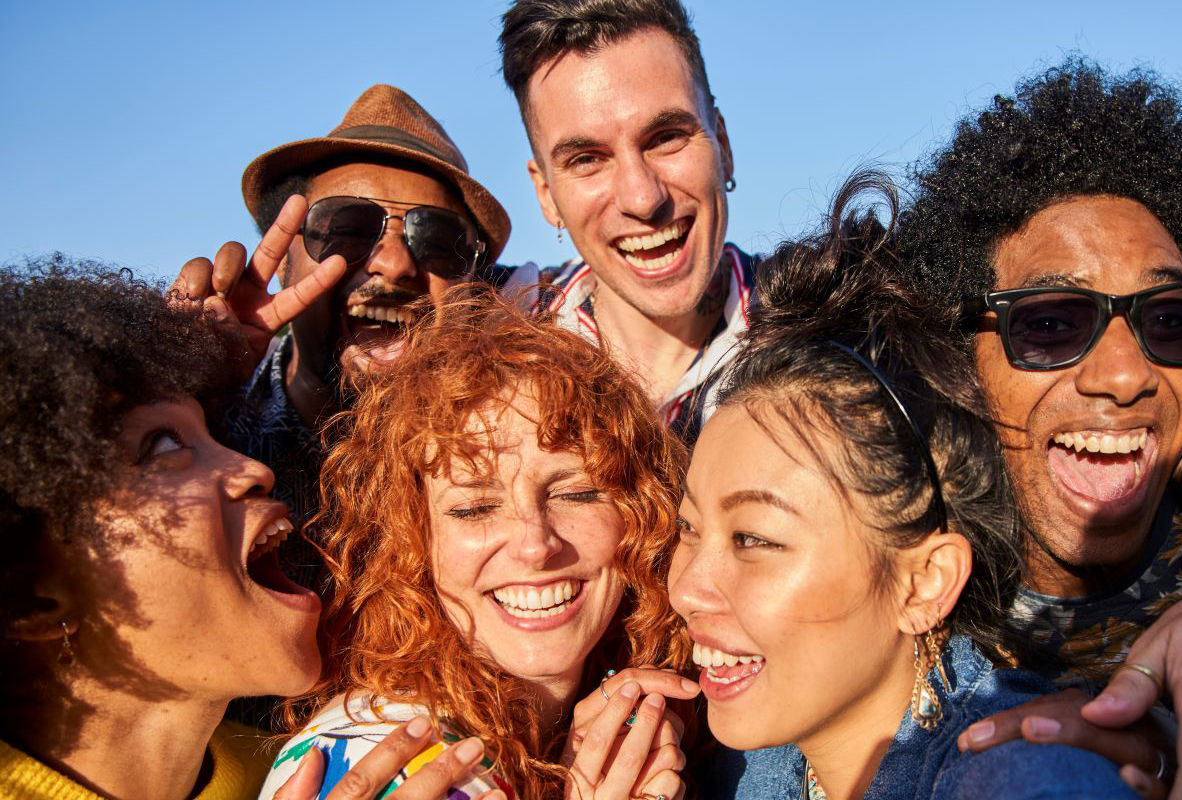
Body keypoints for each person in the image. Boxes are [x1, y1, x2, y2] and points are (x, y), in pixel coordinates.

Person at [673, 174, 1135, 799]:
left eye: (754, 538)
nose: (687, 589)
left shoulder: (1020, 779)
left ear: (925, 582)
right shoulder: (764, 750)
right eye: (688, 528)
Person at [0, 259, 492, 800]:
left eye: (214, 431)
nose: (255, 469)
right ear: (32, 596)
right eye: (163, 445)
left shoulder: (298, 770)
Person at [258, 289, 699, 800]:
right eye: (473, 507)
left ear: (641, 513)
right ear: (411, 540)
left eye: (576, 493)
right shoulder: (406, 764)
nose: (536, 545)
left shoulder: (634, 711)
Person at [900, 60, 1182, 798]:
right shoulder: (884, 585)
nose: (1126, 375)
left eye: (1170, 319)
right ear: (956, 358)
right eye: (1051, 324)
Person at [172, 84, 512, 590]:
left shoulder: (517, 448)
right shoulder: (208, 433)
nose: (395, 264)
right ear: (285, 262)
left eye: (438, 240)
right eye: (346, 229)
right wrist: (185, 394)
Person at [498, 0, 756, 445]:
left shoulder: (837, 334)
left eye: (666, 138)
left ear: (724, 147)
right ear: (546, 194)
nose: (642, 197)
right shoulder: (495, 346)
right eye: (586, 160)